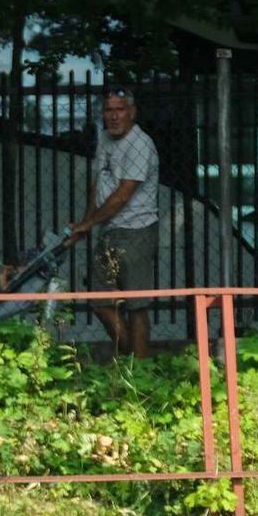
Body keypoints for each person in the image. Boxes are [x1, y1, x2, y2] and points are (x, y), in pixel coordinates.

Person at [69, 87, 160, 360]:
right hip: (110, 230)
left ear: (131, 112)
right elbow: (98, 184)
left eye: (119, 110)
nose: (113, 116)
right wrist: (86, 223)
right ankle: (133, 358)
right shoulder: (105, 139)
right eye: (108, 110)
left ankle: (140, 368)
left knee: (136, 305)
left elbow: (122, 194)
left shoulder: (140, 144)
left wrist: (90, 224)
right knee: (100, 301)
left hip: (136, 231)